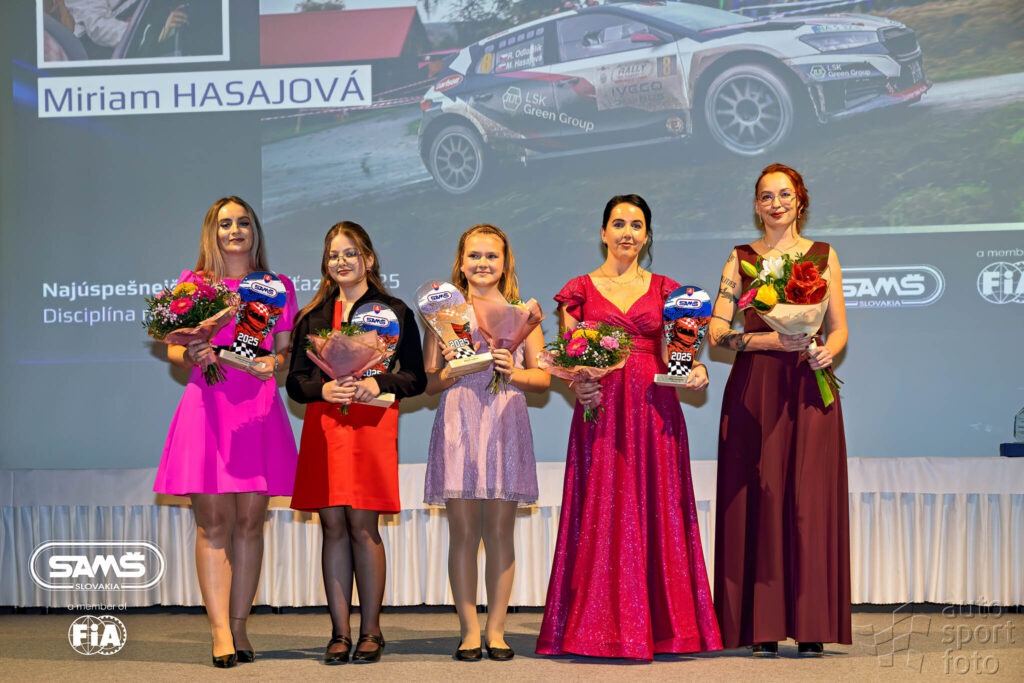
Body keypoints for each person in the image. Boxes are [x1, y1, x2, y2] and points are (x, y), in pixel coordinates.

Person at [535, 195, 722, 660]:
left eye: (636, 225)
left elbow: (678, 354)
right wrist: (579, 384)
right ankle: (595, 628)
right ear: (603, 232)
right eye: (618, 223)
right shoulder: (579, 290)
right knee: (602, 507)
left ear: (647, 235)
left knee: (658, 507)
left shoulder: (668, 291)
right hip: (601, 410)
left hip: (654, 410)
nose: (627, 232)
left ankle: (664, 629)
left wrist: (697, 370)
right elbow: (571, 353)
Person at [710, 163, 851, 657]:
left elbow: (838, 328)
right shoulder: (740, 258)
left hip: (809, 386)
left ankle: (812, 624)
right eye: (766, 196)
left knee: (809, 503)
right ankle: (761, 625)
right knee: (761, 496)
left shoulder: (823, 255)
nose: (776, 204)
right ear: (756, 205)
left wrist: (829, 351)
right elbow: (717, 331)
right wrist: (768, 340)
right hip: (756, 389)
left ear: (800, 201)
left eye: (784, 195)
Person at [154, 196, 299, 668]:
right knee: (213, 524)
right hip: (208, 407)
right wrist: (190, 353)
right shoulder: (195, 285)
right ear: (212, 232)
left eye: (243, 222)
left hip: (257, 408)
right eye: (225, 224)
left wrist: (274, 363)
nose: (235, 230)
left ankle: (239, 627)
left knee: (250, 523)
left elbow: (284, 351)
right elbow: (174, 350)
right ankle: (219, 630)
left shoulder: (277, 286)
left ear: (254, 230)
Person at [286, 221, 427, 665]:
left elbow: (415, 377)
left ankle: (371, 631)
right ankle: (339, 633)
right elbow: (295, 382)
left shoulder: (395, 311)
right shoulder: (312, 316)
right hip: (324, 426)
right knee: (332, 527)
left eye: (350, 253)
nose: (341, 261)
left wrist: (377, 383)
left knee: (363, 527)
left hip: (371, 426)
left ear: (367, 258)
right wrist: (322, 389)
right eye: (333, 255)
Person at [423, 224, 549, 661]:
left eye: (491, 256)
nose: (482, 263)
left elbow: (543, 379)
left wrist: (513, 371)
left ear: (505, 263)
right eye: (474, 255)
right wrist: (452, 370)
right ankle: (469, 630)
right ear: (460, 263)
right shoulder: (442, 313)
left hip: (504, 421)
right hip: (459, 419)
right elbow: (429, 382)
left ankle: (496, 630)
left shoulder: (524, 313)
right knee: (463, 533)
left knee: (499, 532)